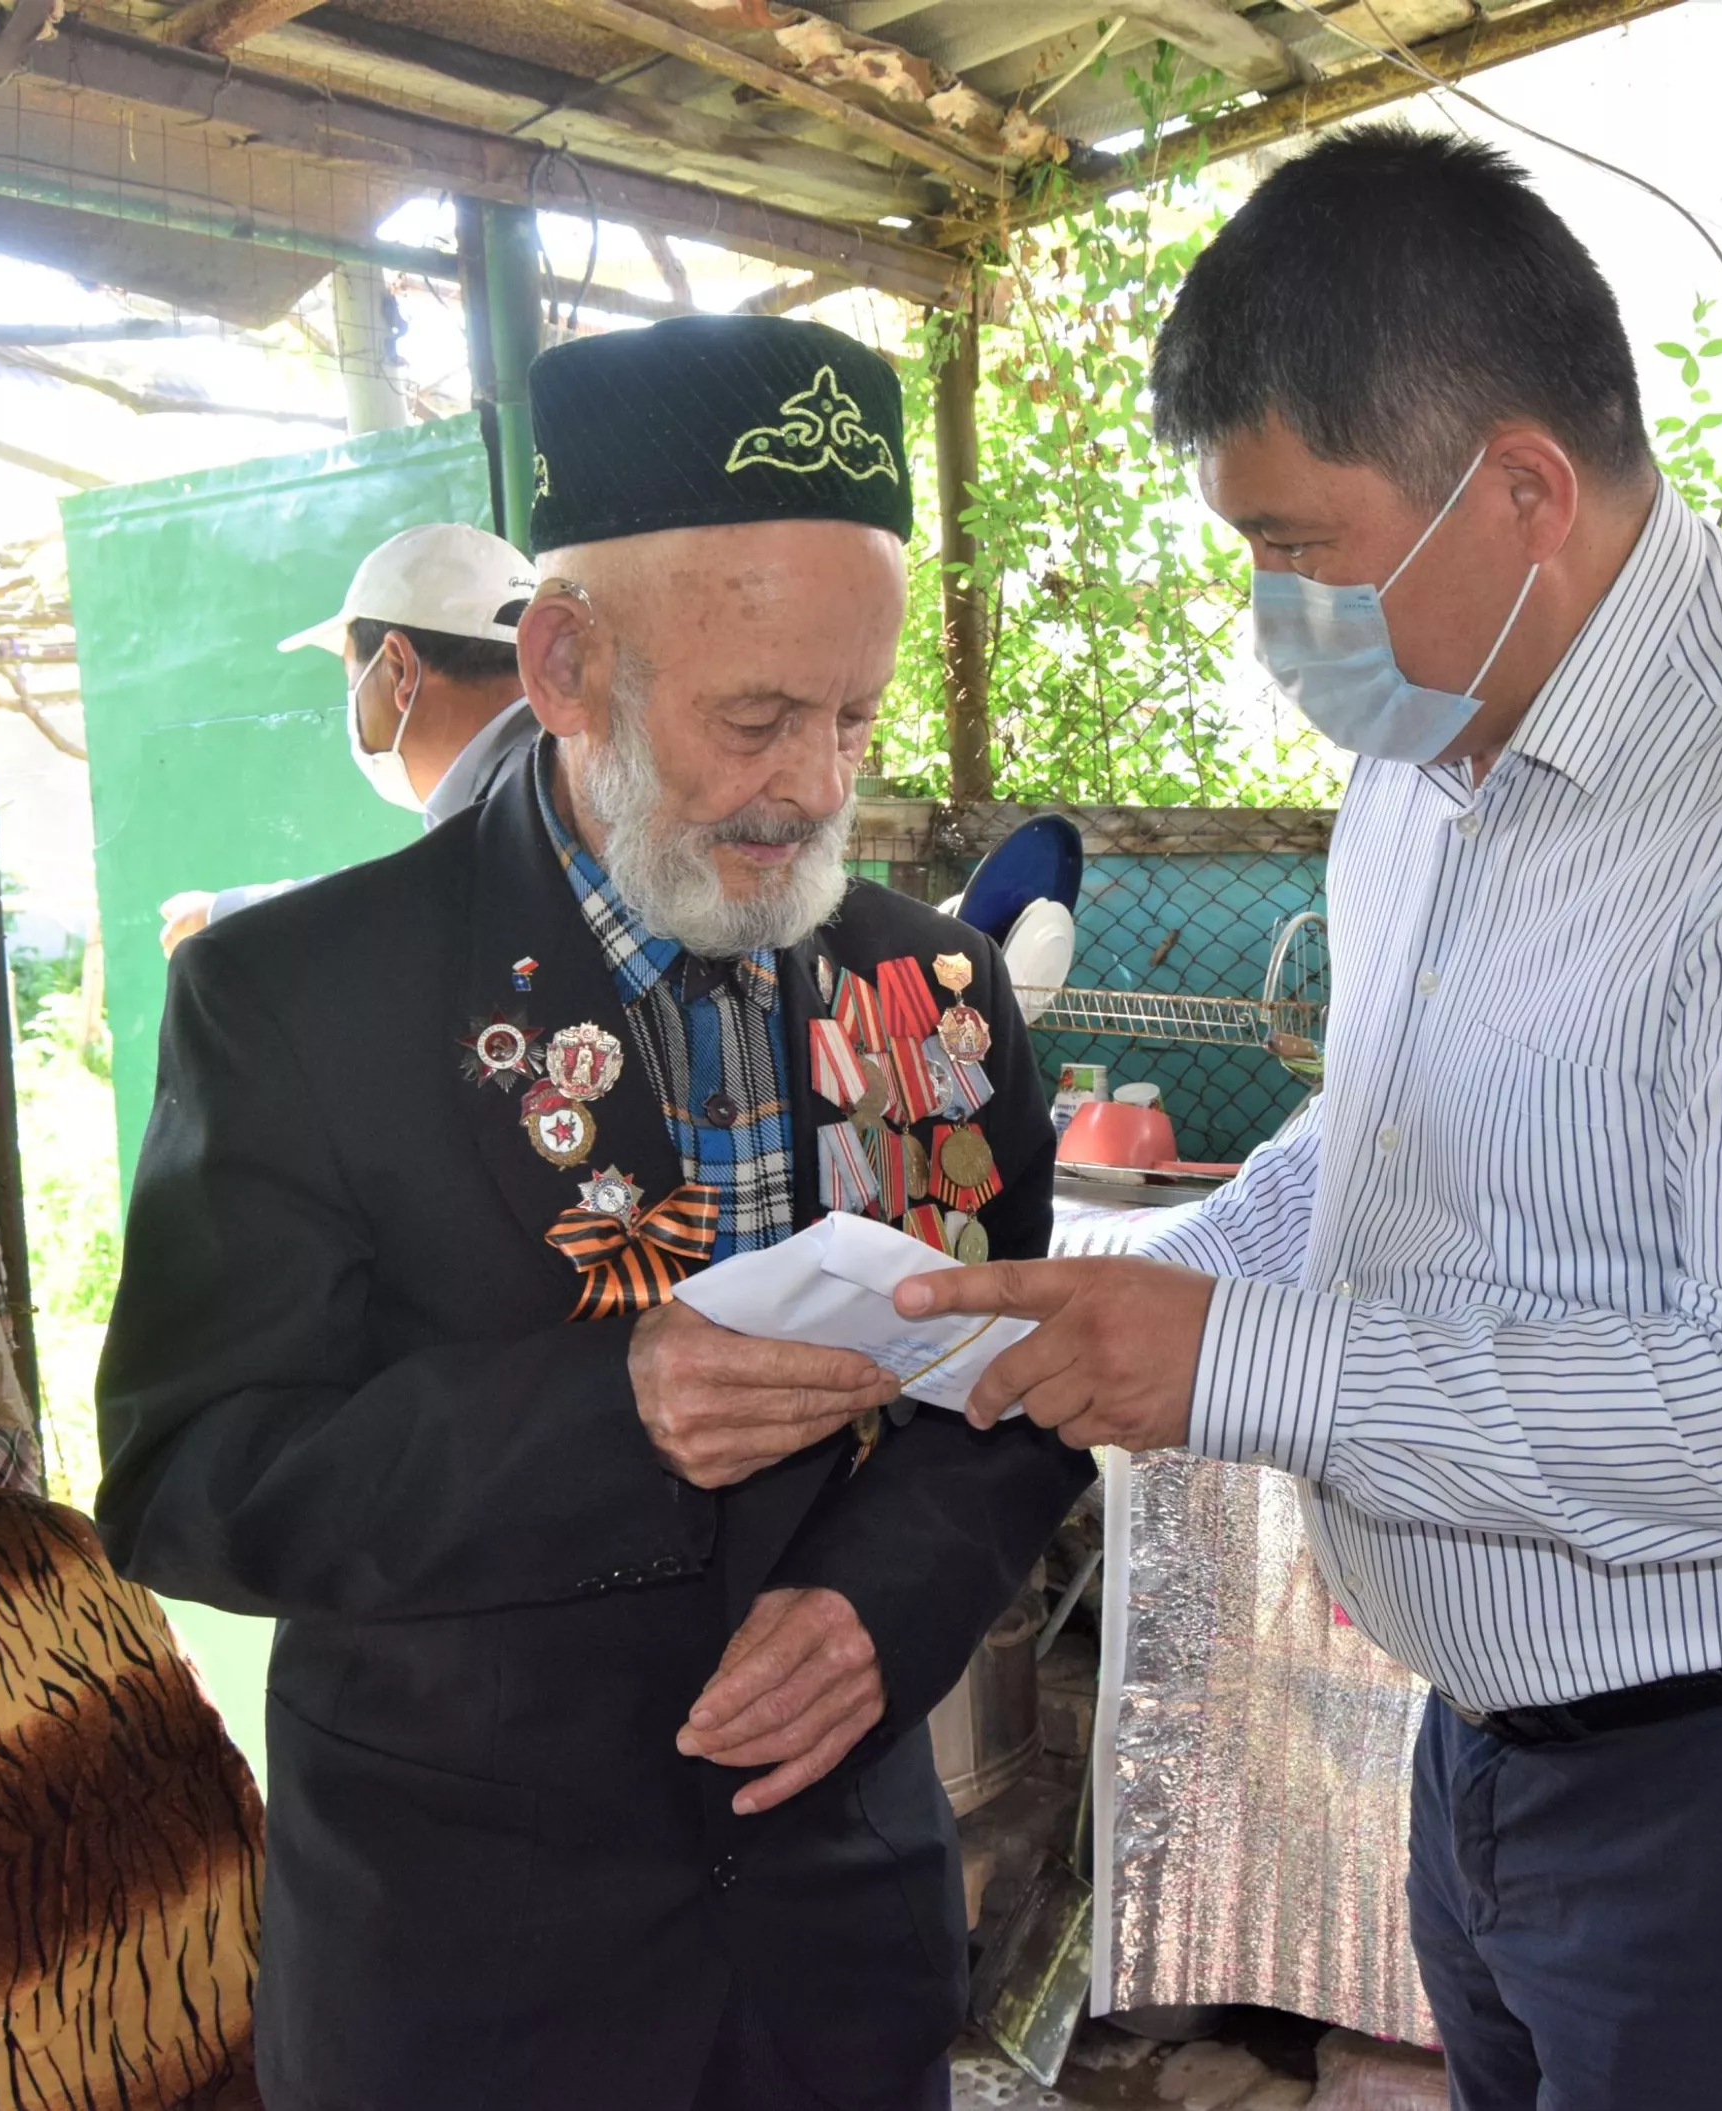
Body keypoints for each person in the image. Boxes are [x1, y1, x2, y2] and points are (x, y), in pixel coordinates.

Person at [896, 127, 1722, 2110]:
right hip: (1491, 1757)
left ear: (1525, 488)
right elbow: (1374, 1144)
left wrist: (1241, 1359)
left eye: (1301, 549)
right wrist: (1144, 1287)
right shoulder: (1429, 746)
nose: (1276, 616)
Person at [96, 314, 1091, 2111]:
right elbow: (189, 1478)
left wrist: (882, 1611)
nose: (816, 785)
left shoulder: (934, 992)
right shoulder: (300, 999)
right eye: (756, 718)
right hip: (473, 1974)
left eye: (854, 718)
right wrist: (605, 1410)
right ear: (564, 664)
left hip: (838, 1954)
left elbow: (1014, 1389)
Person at [158, 521, 538, 954]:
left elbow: (411, 911)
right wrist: (226, 912)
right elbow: (408, 891)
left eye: (352, 677)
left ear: (399, 669)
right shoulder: (535, 771)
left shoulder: (526, 804)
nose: (353, 700)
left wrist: (229, 923)